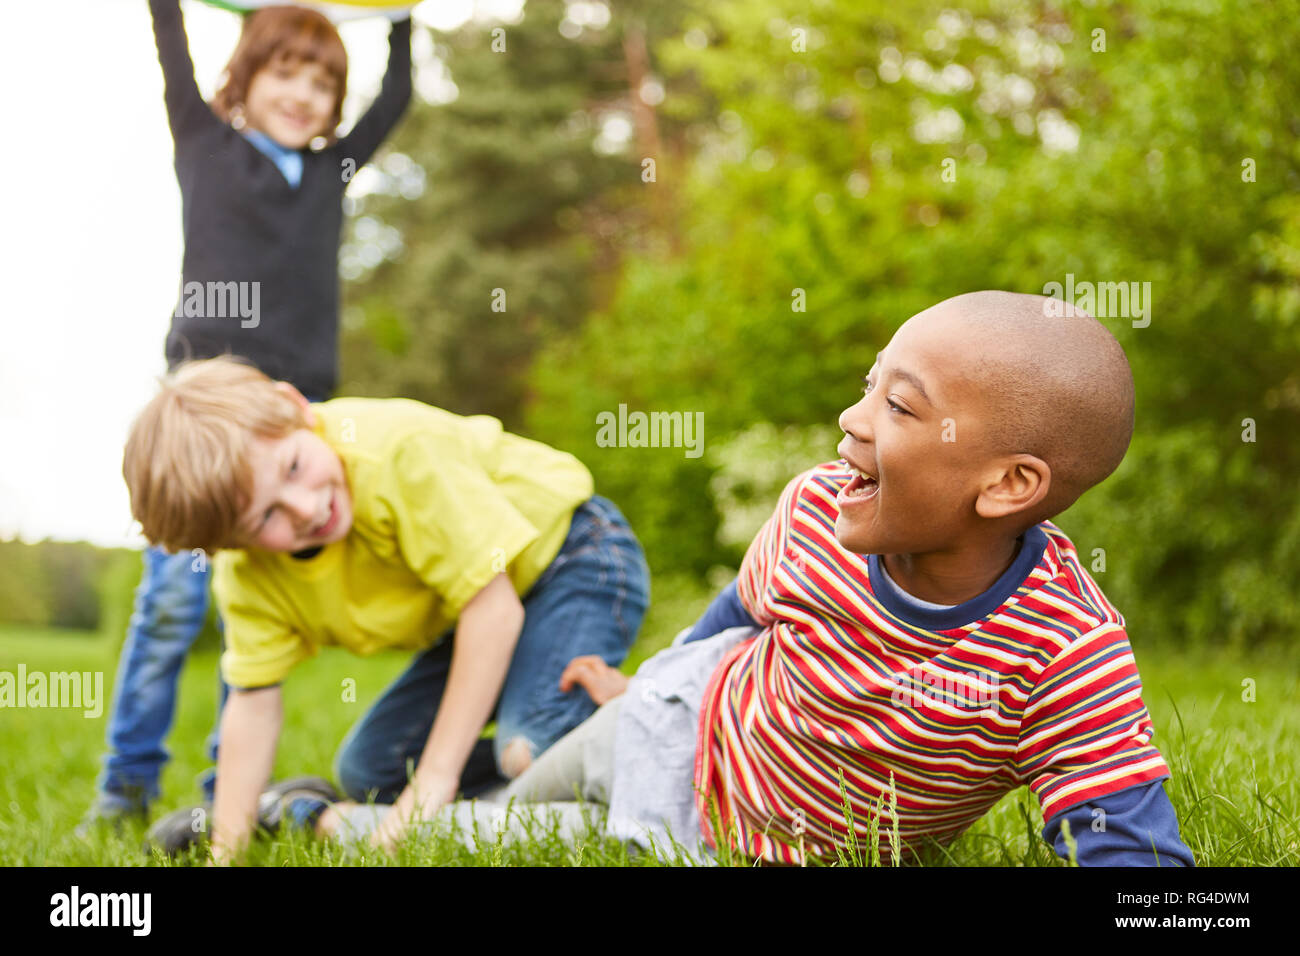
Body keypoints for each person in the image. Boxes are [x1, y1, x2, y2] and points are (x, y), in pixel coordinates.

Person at [329, 290, 1196, 867]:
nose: (851, 420)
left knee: (498, 836)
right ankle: (415, 793)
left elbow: (1128, 841)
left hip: (708, 831)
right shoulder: (819, 511)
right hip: (668, 721)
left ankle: (310, 818)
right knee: (505, 805)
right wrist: (651, 678)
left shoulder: (1067, 653)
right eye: (868, 387)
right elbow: (737, 614)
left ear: (1009, 484)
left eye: (899, 406)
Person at [84, 0, 412, 829]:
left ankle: (224, 793)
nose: (304, 93)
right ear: (246, 76)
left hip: (293, 425)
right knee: (170, 606)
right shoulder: (204, 142)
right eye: (285, 72)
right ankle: (123, 786)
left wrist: (402, 16)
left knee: (252, 616)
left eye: (322, 79)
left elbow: (397, 96)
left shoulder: (332, 170)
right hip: (206, 421)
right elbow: (172, 50)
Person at [120, 357, 650, 861]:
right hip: (483, 610)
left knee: (526, 748)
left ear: (296, 407)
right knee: (370, 771)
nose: (305, 508)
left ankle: (645, 710)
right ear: (230, 544)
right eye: (265, 518)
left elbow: (493, 612)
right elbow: (252, 703)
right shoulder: (251, 577)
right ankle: (302, 811)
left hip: (573, 558)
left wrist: (434, 782)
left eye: (294, 467)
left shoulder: (398, 451)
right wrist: (225, 852)